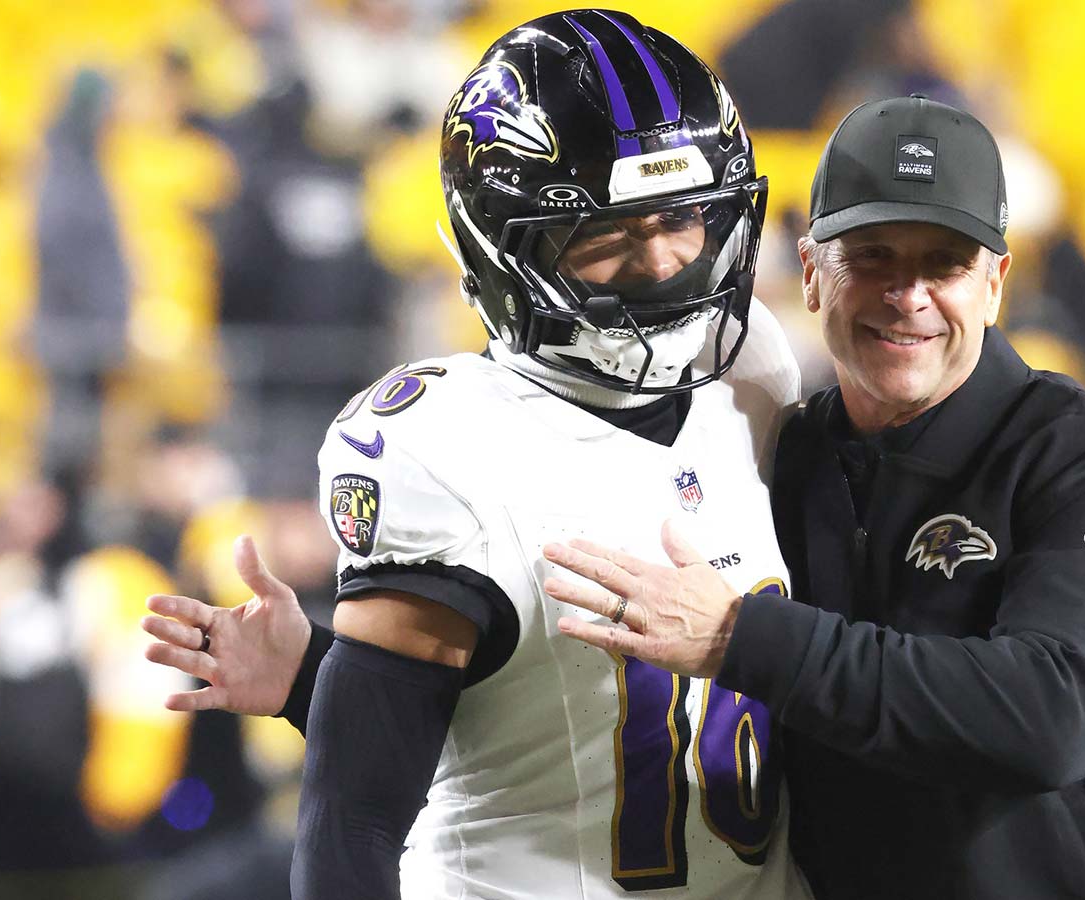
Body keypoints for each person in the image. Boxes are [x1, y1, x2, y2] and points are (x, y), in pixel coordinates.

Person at [145, 11, 810, 899]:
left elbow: (581, 731)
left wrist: (315, 684)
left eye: (683, 218)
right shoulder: (450, 447)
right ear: (502, 250)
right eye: (607, 232)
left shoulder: (756, 386)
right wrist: (338, 693)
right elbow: (355, 822)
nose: (662, 264)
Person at [543, 95, 1085, 899]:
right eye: (874, 255)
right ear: (813, 275)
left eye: (945, 263)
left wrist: (742, 638)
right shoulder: (784, 457)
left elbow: (1051, 718)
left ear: (995, 284)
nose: (908, 293)